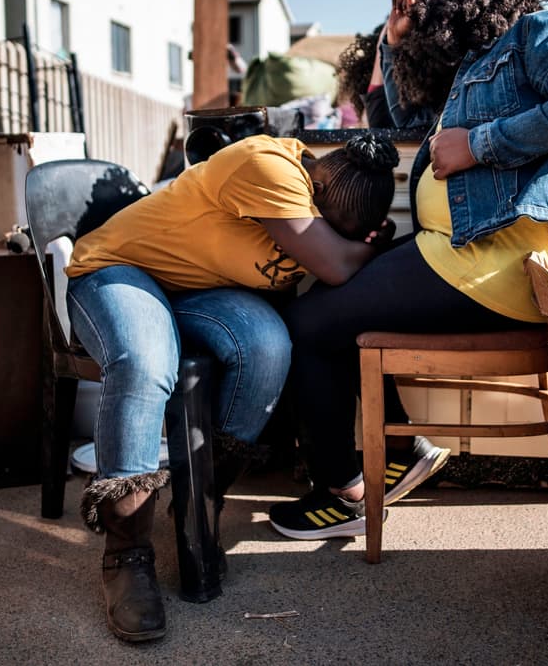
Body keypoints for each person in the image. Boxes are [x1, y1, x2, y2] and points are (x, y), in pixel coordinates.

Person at [268, 0, 548, 540]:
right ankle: (401, 448)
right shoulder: (467, 78)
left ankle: (344, 490)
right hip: (456, 256)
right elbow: (394, 124)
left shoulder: (539, 30)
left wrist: (480, 144)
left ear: (460, 12)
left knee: (307, 324)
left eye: (426, 29)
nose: (423, 45)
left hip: (492, 262)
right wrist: (390, 44)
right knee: (328, 297)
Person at [66, 131, 399, 642]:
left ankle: (199, 507)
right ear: (314, 186)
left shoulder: (320, 212)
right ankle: (127, 555)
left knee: (269, 349)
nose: (320, 240)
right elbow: (335, 265)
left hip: (199, 291)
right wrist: (355, 251)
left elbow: (334, 261)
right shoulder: (268, 165)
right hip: (119, 269)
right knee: (147, 360)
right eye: (321, 229)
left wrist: (350, 248)